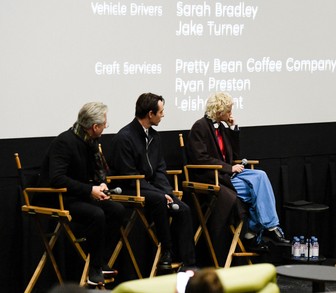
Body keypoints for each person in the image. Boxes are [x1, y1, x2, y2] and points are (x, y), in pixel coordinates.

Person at [186, 92, 289, 261]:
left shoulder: (223, 127)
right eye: (228, 110)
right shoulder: (200, 126)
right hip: (213, 176)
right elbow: (200, 158)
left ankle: (269, 226)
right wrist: (229, 168)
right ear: (219, 111)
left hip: (228, 173)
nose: (230, 113)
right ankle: (253, 232)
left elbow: (234, 154)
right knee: (253, 192)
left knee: (260, 176)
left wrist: (233, 130)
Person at [39, 102, 125, 286]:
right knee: (97, 214)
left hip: (79, 194)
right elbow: (57, 179)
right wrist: (89, 190)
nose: (105, 127)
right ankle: (94, 267)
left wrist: (101, 184)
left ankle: (100, 259)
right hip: (59, 198)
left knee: (117, 210)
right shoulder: (64, 142)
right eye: (104, 124)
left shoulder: (91, 142)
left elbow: (97, 171)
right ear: (94, 127)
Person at [110, 92, 196, 270]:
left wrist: (168, 193)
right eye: (161, 112)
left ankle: (189, 264)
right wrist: (160, 194)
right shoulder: (124, 138)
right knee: (159, 200)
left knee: (183, 208)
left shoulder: (155, 137)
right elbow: (128, 176)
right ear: (150, 114)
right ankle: (167, 251)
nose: (163, 115)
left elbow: (159, 170)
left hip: (150, 188)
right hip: (129, 188)